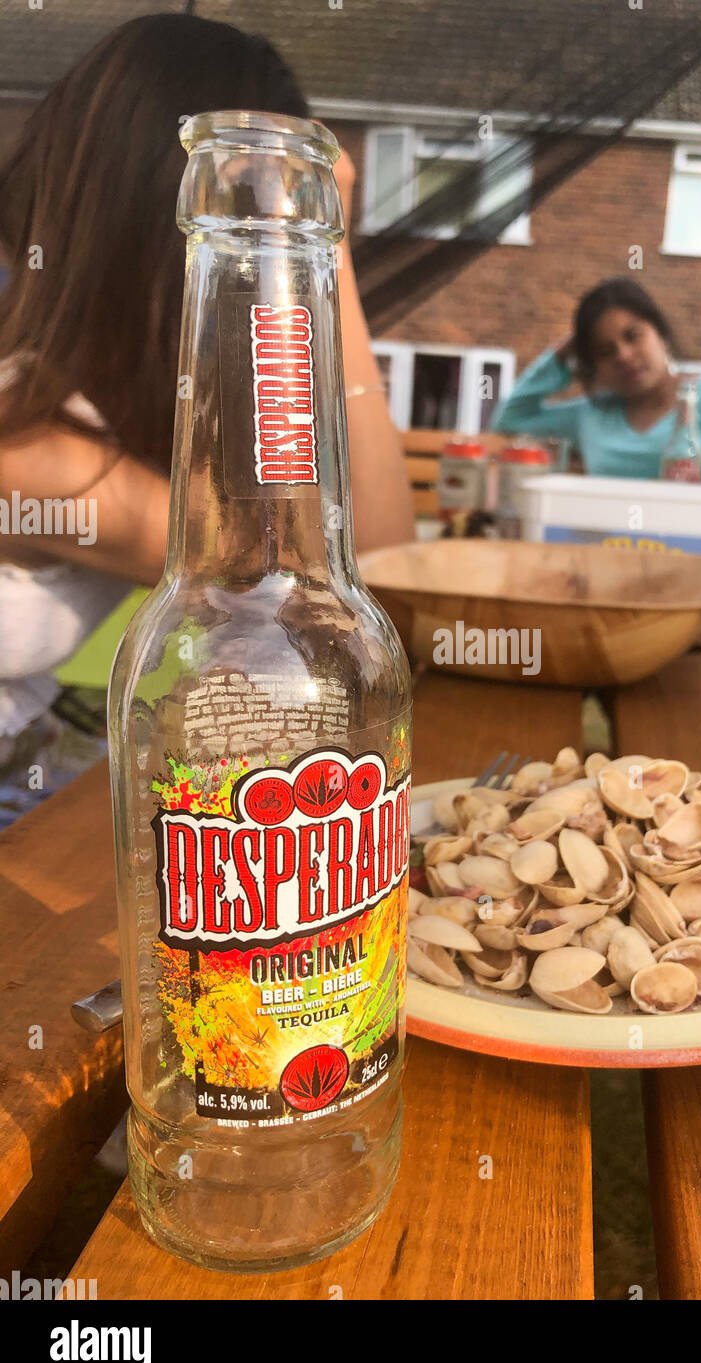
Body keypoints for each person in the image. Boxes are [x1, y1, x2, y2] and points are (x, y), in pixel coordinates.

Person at [0, 13, 413, 829]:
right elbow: (362, 584)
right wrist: (318, 246)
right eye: (262, 192)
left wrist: (313, 236)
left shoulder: (99, 398)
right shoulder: (29, 441)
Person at [492, 277, 701, 486]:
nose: (623, 356)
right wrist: (562, 352)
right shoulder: (592, 414)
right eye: (605, 351)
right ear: (594, 367)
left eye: (633, 336)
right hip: (607, 542)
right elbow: (510, 421)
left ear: (660, 332)